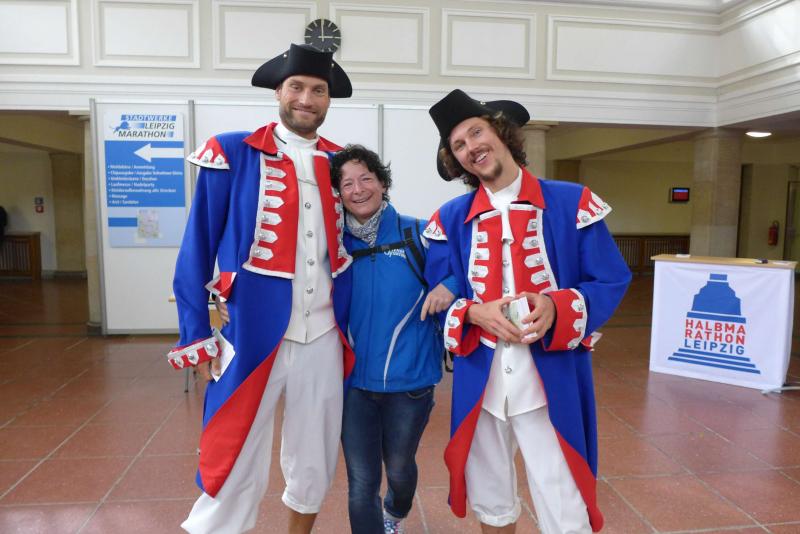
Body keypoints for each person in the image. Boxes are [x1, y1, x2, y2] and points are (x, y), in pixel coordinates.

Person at [423, 89, 631, 533]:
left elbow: (610, 279)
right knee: (491, 498)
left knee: (563, 501)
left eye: (476, 132)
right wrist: (473, 314)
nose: (471, 147)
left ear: (501, 133)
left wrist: (556, 307)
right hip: (481, 382)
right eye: (458, 145)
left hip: (549, 377)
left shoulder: (572, 201)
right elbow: (439, 300)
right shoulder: (449, 218)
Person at [169, 44, 355, 534]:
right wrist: (197, 333)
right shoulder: (233, 151)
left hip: (324, 333)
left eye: (318, 90)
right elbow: (196, 249)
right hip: (249, 332)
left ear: (328, 99)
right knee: (233, 451)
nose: (306, 99)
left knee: (315, 455)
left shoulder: (342, 163)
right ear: (278, 92)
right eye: (297, 87)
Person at [330, 145, 456, 534]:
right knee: (361, 481)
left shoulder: (418, 233)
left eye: (366, 178)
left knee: (399, 469)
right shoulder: (334, 247)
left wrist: (450, 286)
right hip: (353, 385)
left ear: (383, 184)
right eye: (347, 184)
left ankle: (396, 512)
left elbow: (465, 269)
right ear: (338, 194)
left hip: (410, 383)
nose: (358, 190)